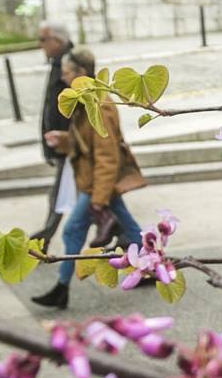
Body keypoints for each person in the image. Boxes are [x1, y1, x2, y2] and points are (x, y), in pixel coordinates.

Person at [32, 47, 148, 309]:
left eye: (67, 72)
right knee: (130, 228)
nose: (63, 78)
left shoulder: (100, 104)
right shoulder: (86, 101)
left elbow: (107, 156)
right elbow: (88, 142)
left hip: (97, 183)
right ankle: (153, 266)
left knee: (73, 229)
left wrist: (97, 200)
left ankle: (61, 287)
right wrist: (64, 140)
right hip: (96, 181)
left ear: (81, 73)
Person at [31, 22, 76, 244]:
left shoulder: (72, 63)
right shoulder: (58, 63)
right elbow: (50, 104)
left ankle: (42, 241)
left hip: (71, 144)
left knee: (60, 195)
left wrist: (68, 139)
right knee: (95, 199)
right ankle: (125, 233)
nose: (40, 45)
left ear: (57, 41)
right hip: (62, 143)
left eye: (42, 39)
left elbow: (80, 106)